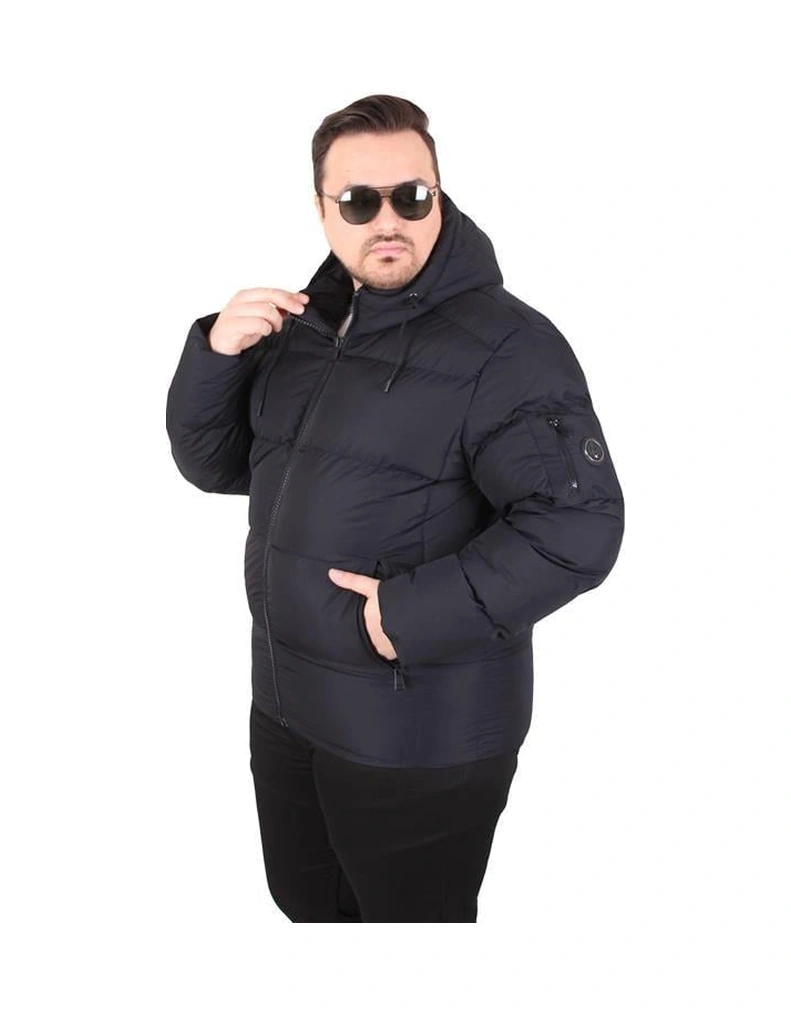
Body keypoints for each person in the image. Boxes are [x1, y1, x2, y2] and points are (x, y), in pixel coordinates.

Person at [165, 94, 625, 922]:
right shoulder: (305, 331)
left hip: (418, 733)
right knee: (306, 910)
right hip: (288, 707)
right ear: (321, 210)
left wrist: (407, 614)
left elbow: (576, 525)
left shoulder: (508, 348)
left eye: (411, 197)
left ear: (438, 196)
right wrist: (217, 356)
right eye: (358, 201)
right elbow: (217, 465)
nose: (388, 221)